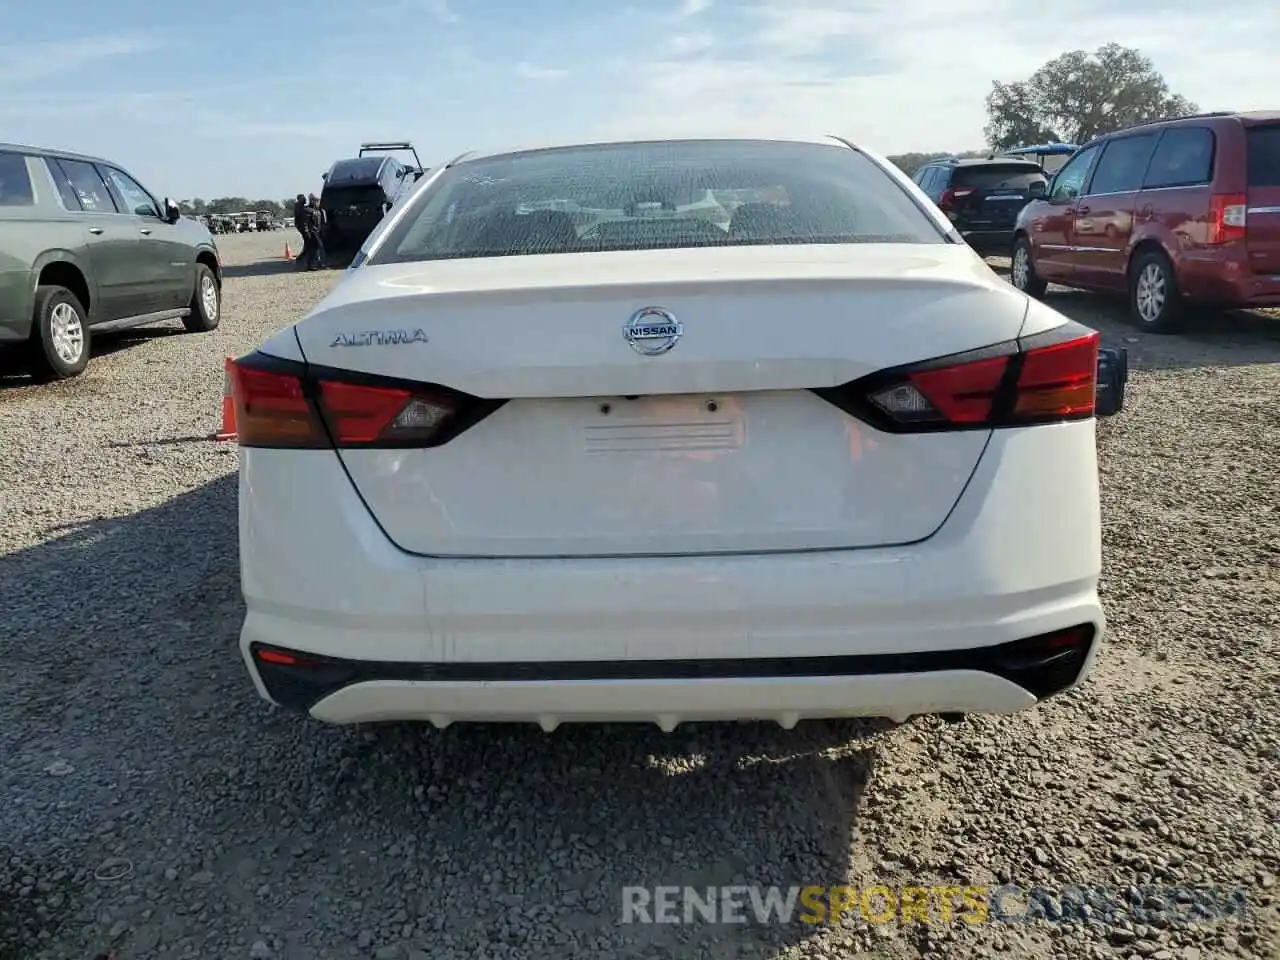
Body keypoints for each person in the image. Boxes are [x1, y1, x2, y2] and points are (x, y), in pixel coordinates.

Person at [302, 194, 326, 271]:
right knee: (313, 249)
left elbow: (320, 222)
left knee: (317, 248)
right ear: (312, 201)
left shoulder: (318, 210)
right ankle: (311, 265)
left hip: (317, 232)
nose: (318, 203)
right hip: (312, 232)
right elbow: (305, 223)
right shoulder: (307, 210)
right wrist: (307, 233)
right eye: (316, 201)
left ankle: (315, 263)